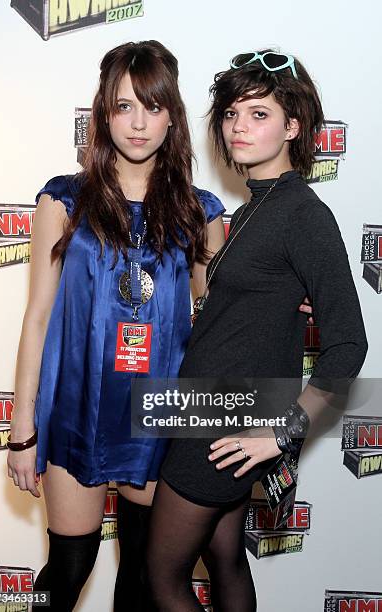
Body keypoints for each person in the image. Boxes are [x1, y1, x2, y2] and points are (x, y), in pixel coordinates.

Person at [6, 40, 227, 612]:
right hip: (75, 409)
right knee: (69, 567)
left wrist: (286, 302)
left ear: (172, 116)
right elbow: (36, 320)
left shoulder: (199, 213)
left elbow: (220, 311)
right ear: (103, 113)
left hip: (157, 415)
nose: (138, 123)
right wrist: (22, 430)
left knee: (142, 579)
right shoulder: (64, 201)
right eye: (124, 106)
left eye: (152, 107)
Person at [147, 50, 368, 611]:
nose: (239, 126)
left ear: (293, 126)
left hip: (224, 425)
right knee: (224, 559)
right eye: (231, 114)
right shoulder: (252, 210)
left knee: (163, 576)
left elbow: (347, 342)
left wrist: (281, 432)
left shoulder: (302, 214)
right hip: (221, 408)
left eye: (259, 114)